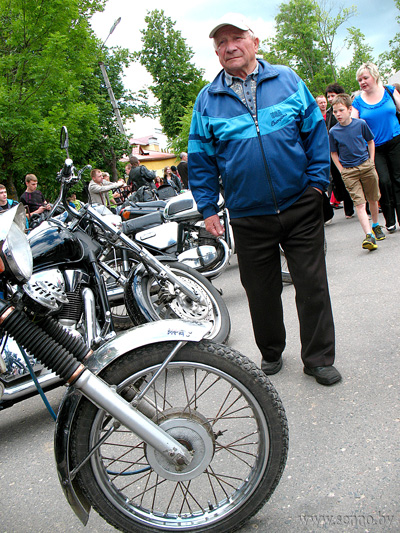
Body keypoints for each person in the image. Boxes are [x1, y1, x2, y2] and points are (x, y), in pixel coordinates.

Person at [188, 13, 341, 386]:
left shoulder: (287, 79)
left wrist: (318, 184)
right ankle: (272, 350)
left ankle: (318, 358)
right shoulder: (207, 101)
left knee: (312, 283)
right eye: (221, 43)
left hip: (299, 203)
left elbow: (315, 133)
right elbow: (201, 159)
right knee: (261, 292)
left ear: (254, 42)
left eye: (236, 37)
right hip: (247, 213)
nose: (229, 46)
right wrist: (209, 208)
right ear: (216, 52)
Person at [329, 94, 385, 250]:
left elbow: (370, 141)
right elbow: (334, 153)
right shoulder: (333, 132)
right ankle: (369, 236)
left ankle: (375, 225)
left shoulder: (360, 124)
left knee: (373, 199)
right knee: (360, 204)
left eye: (341, 110)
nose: (338, 114)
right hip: (349, 171)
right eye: (335, 112)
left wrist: (371, 161)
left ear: (349, 109)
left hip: (366, 166)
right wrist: (342, 170)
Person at [352, 62, 400, 233]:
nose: (362, 82)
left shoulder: (390, 92)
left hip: (396, 141)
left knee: (398, 180)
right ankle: (389, 220)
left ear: (375, 76)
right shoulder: (358, 101)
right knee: (384, 182)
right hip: (375, 147)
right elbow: (353, 125)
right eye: (359, 80)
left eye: (365, 78)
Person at [325, 83, 355, 219]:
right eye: (328, 96)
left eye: (333, 95)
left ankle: (362, 206)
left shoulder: (347, 110)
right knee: (340, 179)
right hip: (335, 150)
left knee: (354, 177)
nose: (330, 98)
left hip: (348, 149)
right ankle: (348, 208)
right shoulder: (329, 113)